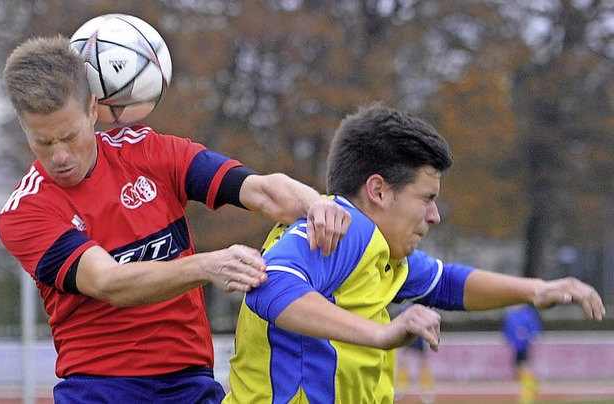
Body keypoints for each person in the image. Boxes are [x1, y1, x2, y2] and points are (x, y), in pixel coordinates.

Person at [0, 35, 351, 404]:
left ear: (92, 109)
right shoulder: (25, 210)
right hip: (99, 389)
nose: (60, 157)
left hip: (191, 384)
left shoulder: (150, 153)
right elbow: (108, 282)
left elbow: (260, 190)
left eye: (70, 137)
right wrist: (206, 266)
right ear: (25, 128)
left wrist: (317, 204)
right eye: (44, 143)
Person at [224, 104, 606, 404]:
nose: (434, 216)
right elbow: (268, 286)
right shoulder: (345, 229)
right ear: (378, 191)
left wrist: (535, 291)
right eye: (426, 198)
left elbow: (446, 283)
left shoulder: (379, 252)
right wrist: (382, 333)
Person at [391, 304, 435, 404]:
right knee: (403, 362)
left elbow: (430, 321)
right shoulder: (404, 306)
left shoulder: (423, 306)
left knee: (423, 364)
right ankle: (400, 389)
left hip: (420, 338)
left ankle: (427, 390)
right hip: (407, 338)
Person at [503, 304, 543, 404]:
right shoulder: (512, 314)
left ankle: (531, 385)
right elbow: (508, 327)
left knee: (522, 366)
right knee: (518, 368)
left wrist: (532, 335)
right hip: (516, 345)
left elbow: (534, 326)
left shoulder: (527, 313)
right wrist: (507, 337)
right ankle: (530, 384)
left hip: (523, 345)